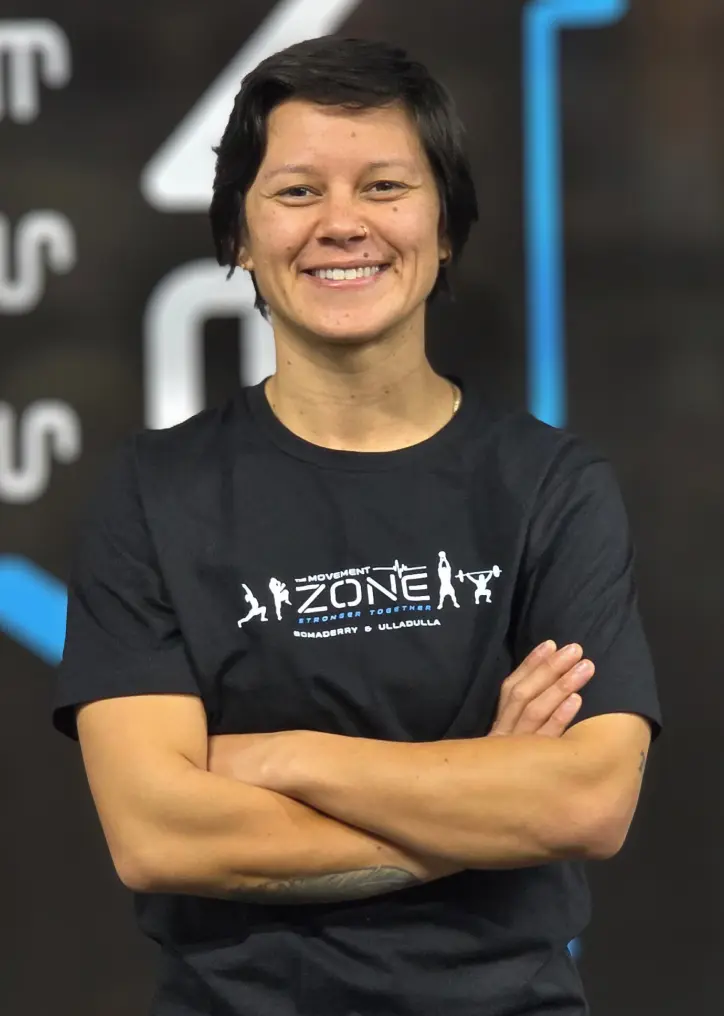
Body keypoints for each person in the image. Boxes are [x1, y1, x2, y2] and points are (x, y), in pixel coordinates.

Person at [52, 36, 663, 1016]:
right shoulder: (153, 492)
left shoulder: (550, 485)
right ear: (238, 237)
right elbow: (160, 834)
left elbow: (584, 800)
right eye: (296, 192)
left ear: (445, 225)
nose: (342, 224)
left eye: (384, 185)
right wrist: (487, 797)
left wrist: (286, 758)